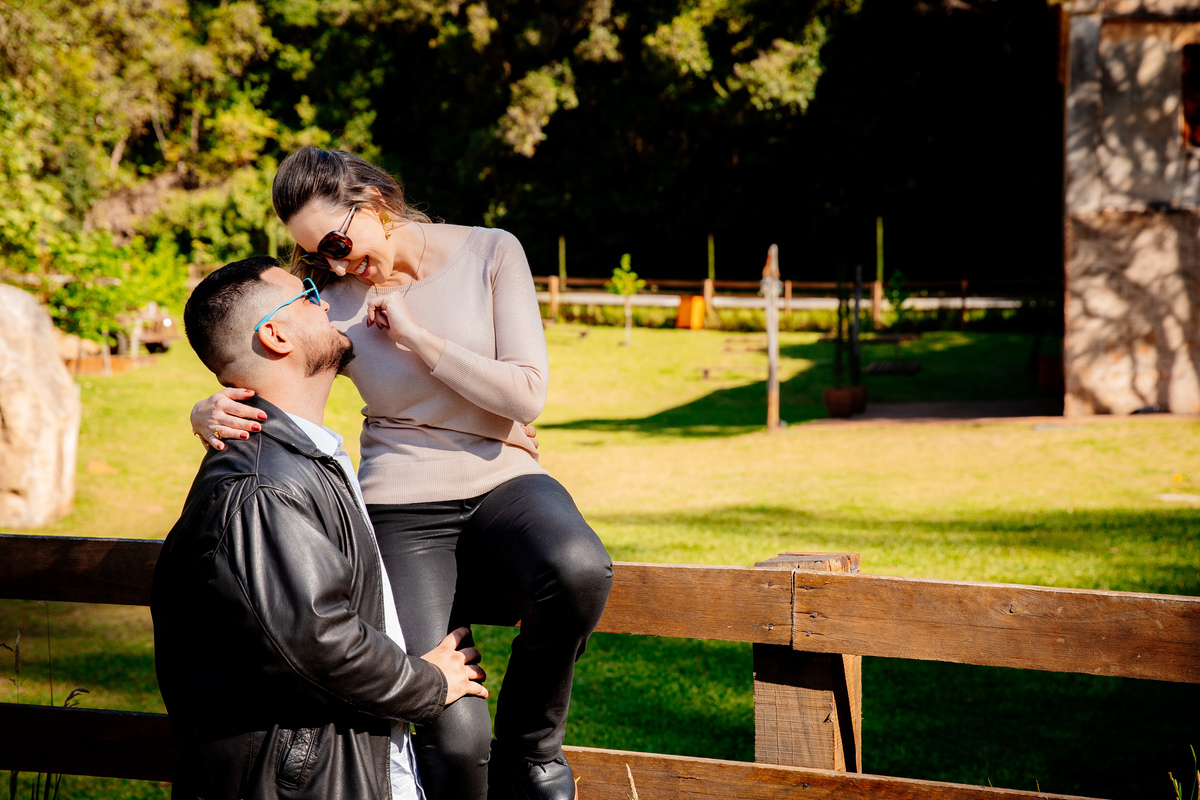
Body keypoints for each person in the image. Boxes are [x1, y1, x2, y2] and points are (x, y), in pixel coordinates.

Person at [190, 148, 613, 800]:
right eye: (317, 255)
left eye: (337, 244)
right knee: (454, 739)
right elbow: (259, 348)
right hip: (401, 505)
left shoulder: (491, 252)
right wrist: (204, 408)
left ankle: (531, 751)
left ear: (374, 202)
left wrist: (416, 336)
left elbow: (526, 395)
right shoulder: (330, 302)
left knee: (579, 568)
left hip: (503, 478)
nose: (335, 265)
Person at [153, 257, 490, 800]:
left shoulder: (301, 455)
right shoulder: (263, 488)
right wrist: (429, 682)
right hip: (304, 783)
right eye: (309, 294)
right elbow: (318, 639)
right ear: (276, 335)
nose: (327, 302)